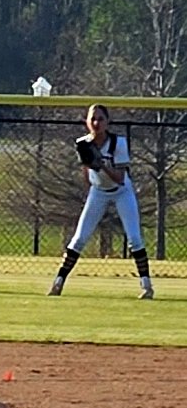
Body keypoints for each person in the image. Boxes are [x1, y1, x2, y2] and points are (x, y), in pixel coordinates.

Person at [48, 103, 153, 299]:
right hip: (98, 191)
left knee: (134, 238)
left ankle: (147, 286)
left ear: (108, 122)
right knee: (79, 239)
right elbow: (86, 171)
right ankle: (58, 282)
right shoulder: (83, 143)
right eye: (93, 119)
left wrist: (102, 166)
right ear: (87, 122)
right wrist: (90, 188)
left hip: (122, 191)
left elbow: (120, 178)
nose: (96, 123)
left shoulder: (118, 143)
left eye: (100, 118)